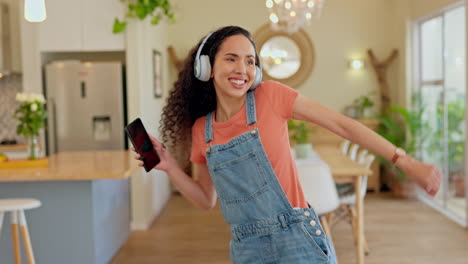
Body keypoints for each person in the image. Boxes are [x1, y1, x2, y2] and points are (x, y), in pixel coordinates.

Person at [131, 26, 442, 264]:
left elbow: (342, 125)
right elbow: (204, 199)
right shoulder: (203, 130)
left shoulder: (271, 96)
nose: (242, 69)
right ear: (206, 67)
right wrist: (169, 166)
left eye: (250, 61)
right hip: (246, 247)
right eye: (231, 59)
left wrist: (405, 161)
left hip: (298, 237)